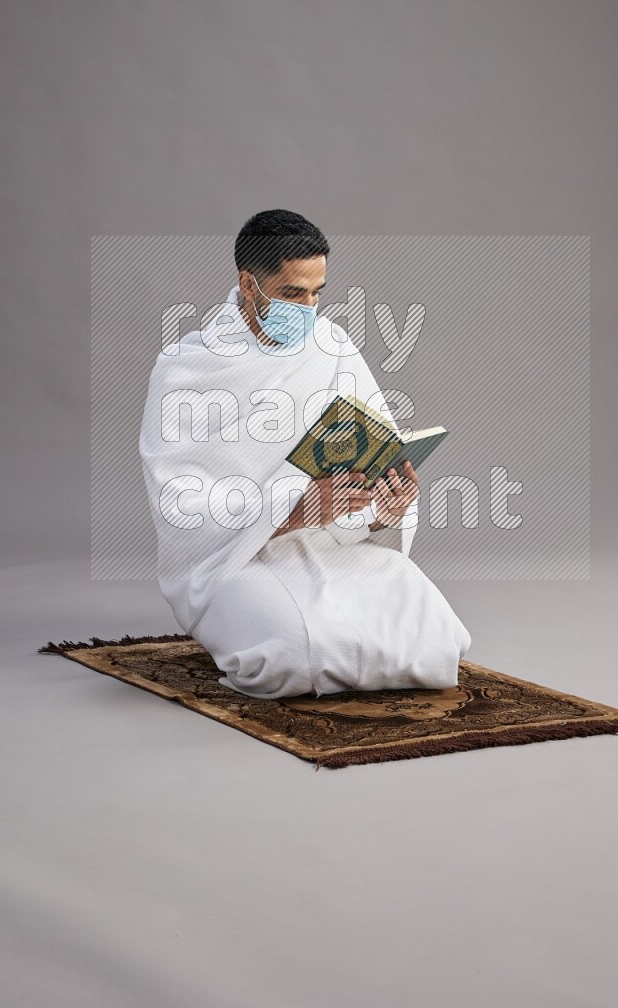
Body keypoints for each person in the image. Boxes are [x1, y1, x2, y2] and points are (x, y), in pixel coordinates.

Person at [139, 210, 472, 699]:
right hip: (234, 559)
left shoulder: (331, 346)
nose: (310, 307)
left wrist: (385, 509)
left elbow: (375, 446)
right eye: (294, 293)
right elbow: (181, 502)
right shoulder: (185, 370)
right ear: (248, 284)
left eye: (318, 292)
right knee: (290, 655)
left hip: (328, 543)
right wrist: (290, 510)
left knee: (439, 638)